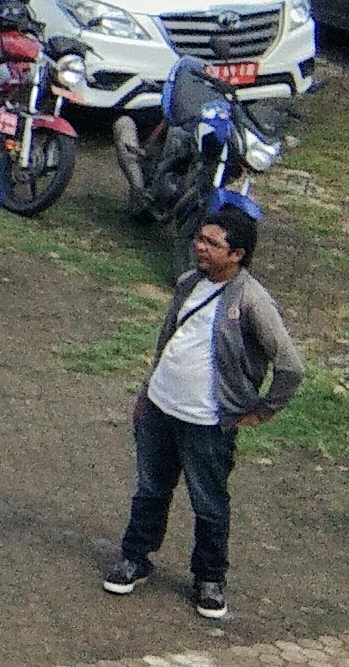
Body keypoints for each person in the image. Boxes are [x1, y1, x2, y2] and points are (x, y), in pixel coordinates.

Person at [107, 200, 301, 622]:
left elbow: (289, 364)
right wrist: (146, 392)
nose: (201, 248)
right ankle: (135, 557)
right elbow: (167, 341)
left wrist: (262, 411)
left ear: (237, 255)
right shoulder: (187, 283)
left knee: (209, 502)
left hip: (208, 423)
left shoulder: (251, 300)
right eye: (200, 239)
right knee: (151, 489)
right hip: (161, 407)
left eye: (213, 244)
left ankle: (209, 579)